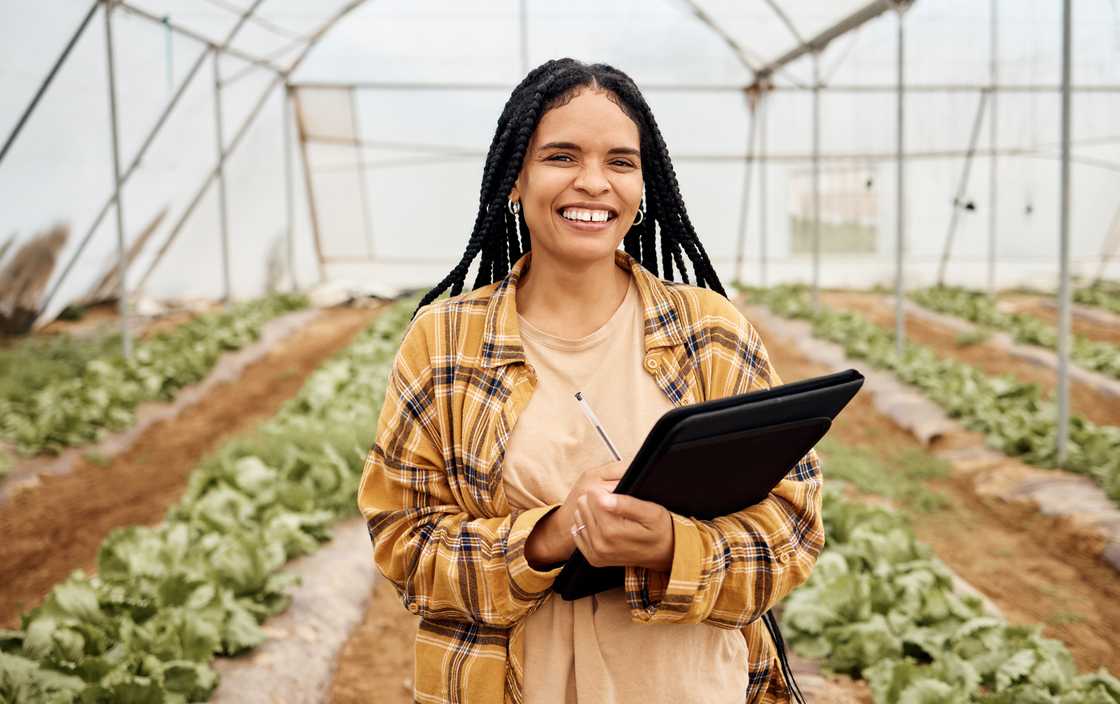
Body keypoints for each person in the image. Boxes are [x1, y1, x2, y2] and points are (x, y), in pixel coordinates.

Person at [357, 58, 823, 704]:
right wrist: (545, 537)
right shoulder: (442, 342)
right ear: (515, 178)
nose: (593, 183)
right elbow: (403, 540)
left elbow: (792, 530)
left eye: (621, 162)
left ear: (644, 183)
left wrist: (670, 546)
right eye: (562, 156)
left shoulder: (712, 334)